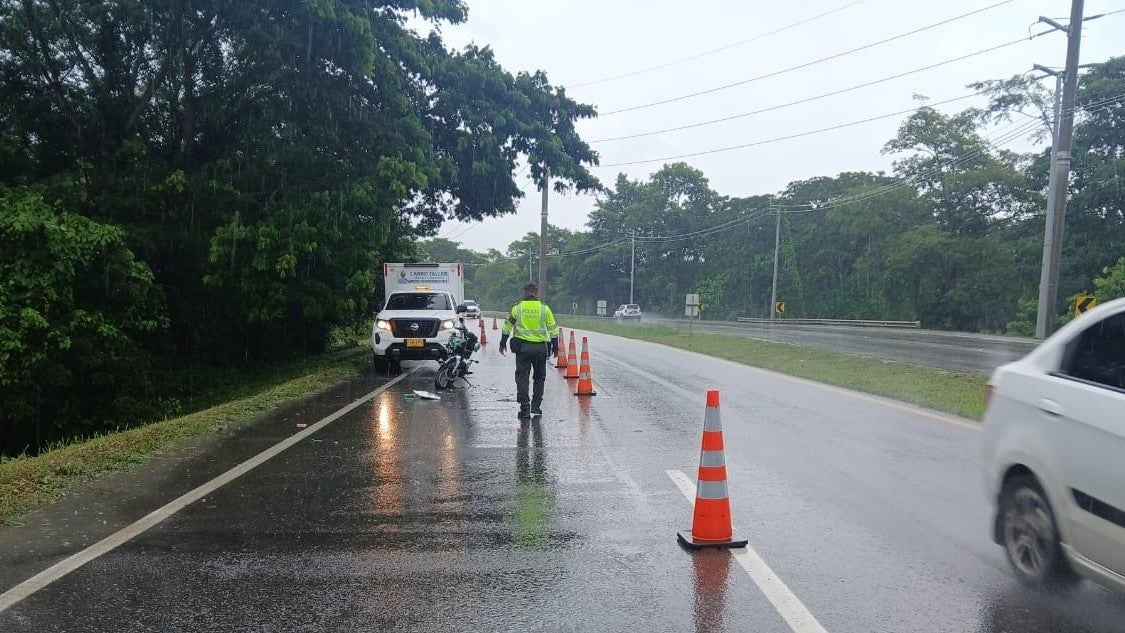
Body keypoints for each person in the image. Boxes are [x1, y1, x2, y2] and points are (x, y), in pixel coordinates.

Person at [498, 282, 559, 419]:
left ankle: (525, 409)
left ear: (525, 292)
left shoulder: (517, 308)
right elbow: (553, 329)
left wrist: (503, 343)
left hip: (523, 349)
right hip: (540, 349)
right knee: (539, 378)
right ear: (536, 292)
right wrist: (556, 347)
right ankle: (536, 407)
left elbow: (507, 327)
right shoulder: (545, 308)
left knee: (522, 378)